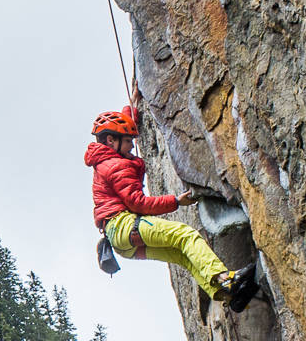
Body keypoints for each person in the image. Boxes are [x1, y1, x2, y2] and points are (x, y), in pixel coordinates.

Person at [87, 102, 259, 310]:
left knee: (182, 255)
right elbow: (138, 204)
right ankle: (225, 279)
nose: (132, 145)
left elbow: (124, 126)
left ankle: (226, 294)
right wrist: (176, 201)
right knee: (185, 235)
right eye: (128, 141)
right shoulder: (116, 166)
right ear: (110, 140)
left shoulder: (106, 160)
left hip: (121, 243)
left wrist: (132, 105)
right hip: (125, 225)